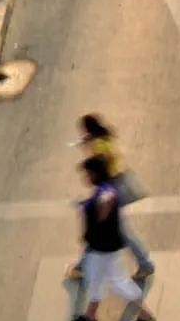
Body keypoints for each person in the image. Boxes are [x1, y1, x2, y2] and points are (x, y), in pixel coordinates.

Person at [71, 155, 156, 321]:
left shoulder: (105, 191)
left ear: (95, 174)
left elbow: (106, 199)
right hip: (104, 248)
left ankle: (144, 315)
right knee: (97, 280)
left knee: (116, 282)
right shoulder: (102, 190)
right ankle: (91, 314)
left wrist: (99, 210)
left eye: (87, 174)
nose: (86, 178)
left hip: (103, 250)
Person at [66, 114, 155, 282]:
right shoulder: (105, 137)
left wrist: (89, 152)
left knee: (112, 229)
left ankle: (144, 263)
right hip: (117, 183)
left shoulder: (99, 145)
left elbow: (100, 163)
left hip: (112, 186)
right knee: (105, 227)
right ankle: (82, 266)